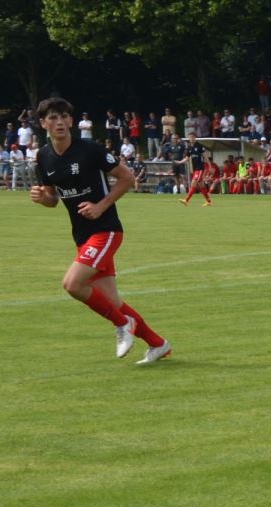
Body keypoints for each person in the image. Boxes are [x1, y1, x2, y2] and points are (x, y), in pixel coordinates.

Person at [29, 97, 171, 364]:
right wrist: (42, 198)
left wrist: (100, 206)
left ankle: (122, 324)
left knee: (72, 284)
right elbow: (52, 199)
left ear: (71, 121)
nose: (59, 122)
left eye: (63, 117)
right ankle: (158, 344)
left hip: (106, 230)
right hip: (82, 236)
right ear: (43, 123)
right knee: (112, 301)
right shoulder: (43, 157)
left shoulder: (90, 150)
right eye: (53, 118)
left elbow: (127, 177)